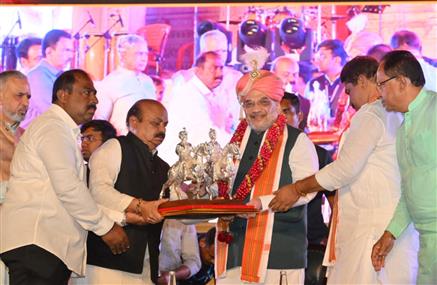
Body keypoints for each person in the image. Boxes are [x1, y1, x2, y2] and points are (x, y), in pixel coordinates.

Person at [270, 56, 419, 284]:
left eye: (348, 91)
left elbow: (344, 170)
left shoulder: (371, 114)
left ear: (361, 81)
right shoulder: (396, 114)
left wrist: (297, 188)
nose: (349, 101)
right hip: (393, 226)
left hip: (371, 229)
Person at [0, 69, 129, 285]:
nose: (94, 100)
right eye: (86, 93)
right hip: (37, 244)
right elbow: (68, 188)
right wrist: (105, 227)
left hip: (43, 245)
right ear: (63, 95)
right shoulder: (52, 128)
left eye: (94, 94)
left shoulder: (59, 130)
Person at [215, 69, 318, 284]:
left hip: (278, 254)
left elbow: (308, 189)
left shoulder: (297, 141)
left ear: (276, 102)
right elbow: (224, 185)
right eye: (248, 103)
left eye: (263, 102)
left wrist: (261, 203)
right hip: (234, 251)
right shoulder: (235, 142)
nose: (256, 110)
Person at [79, 99, 170, 284]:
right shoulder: (115, 147)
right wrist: (140, 206)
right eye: (155, 123)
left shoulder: (163, 167)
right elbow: (98, 191)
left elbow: (171, 209)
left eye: (165, 124)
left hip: (146, 265)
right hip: (106, 264)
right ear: (133, 122)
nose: (162, 130)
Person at [371, 50, 437, 284]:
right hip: (428, 238)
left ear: (401, 82)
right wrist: (392, 232)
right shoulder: (403, 129)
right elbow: (411, 187)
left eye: (381, 85)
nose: (378, 94)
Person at [160, 51, 240, 164]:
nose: (219, 73)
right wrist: (239, 145)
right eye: (213, 68)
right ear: (198, 70)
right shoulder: (188, 95)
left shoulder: (210, 95)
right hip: (178, 166)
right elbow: (207, 133)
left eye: (221, 68)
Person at [0, 71, 30, 285]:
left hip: (18, 228)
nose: (25, 102)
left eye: (28, 97)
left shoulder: (26, 134)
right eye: (19, 95)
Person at [94, 34, 156, 135]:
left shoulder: (147, 81)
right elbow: (100, 122)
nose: (144, 58)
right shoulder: (110, 82)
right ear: (122, 55)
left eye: (145, 54)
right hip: (123, 143)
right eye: (139, 54)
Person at [21, 29, 73, 129]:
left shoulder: (60, 75)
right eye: (66, 50)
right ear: (49, 52)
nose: (71, 55)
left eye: (72, 51)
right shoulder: (38, 77)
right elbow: (57, 113)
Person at [303, 39, 350, 133]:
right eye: (317, 57)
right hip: (318, 133)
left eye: (322, 56)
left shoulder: (350, 82)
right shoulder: (313, 84)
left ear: (337, 60)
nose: (317, 61)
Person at [158, 219, 201, 284]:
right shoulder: (139, 214)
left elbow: (194, 261)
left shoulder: (185, 219)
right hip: (139, 277)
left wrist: (171, 276)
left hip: (169, 280)